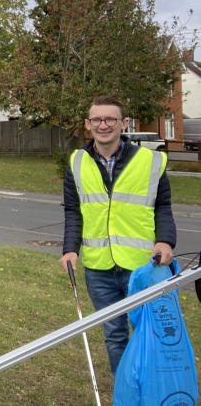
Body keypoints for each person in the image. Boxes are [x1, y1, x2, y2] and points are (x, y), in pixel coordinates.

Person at [60, 95, 176, 374]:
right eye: (97, 119)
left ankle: (151, 393)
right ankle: (126, 394)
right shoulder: (76, 162)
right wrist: (70, 248)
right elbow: (74, 211)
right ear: (88, 125)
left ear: (123, 123)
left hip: (143, 266)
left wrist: (165, 240)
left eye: (110, 119)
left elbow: (163, 206)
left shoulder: (149, 161)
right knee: (114, 335)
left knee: (150, 332)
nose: (104, 125)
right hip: (99, 269)